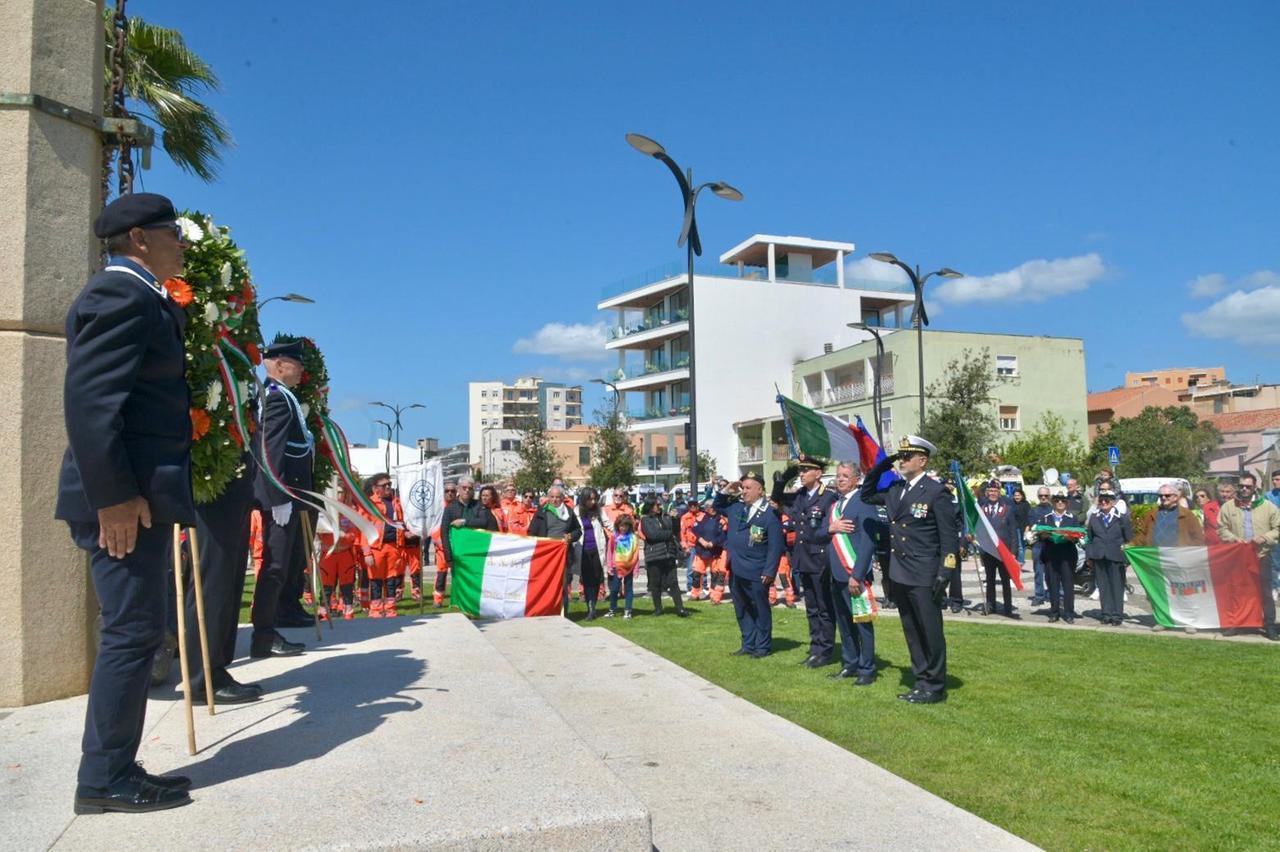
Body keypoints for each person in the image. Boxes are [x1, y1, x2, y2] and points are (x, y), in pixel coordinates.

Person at [57, 192, 196, 813]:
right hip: (122, 503)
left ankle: (117, 765)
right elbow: (92, 405)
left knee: (139, 633)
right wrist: (112, 498)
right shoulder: (121, 293)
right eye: (173, 233)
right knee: (132, 633)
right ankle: (103, 780)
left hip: (134, 498)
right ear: (140, 238)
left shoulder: (143, 295)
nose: (183, 244)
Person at [859, 435, 959, 704]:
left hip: (925, 573)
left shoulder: (936, 492)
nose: (902, 460)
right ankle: (921, 680)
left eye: (906, 457)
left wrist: (945, 572)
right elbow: (866, 494)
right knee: (912, 630)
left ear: (922, 460)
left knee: (930, 630)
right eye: (900, 456)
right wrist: (881, 466)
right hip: (900, 571)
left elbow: (949, 537)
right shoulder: (896, 490)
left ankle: (935, 686)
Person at [249, 339, 314, 657]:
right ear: (275, 363)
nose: (301, 368)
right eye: (295, 361)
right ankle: (264, 634)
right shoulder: (275, 398)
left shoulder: (283, 396)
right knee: (274, 565)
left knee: (283, 564)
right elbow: (269, 449)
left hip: (289, 493)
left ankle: (270, 628)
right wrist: (278, 497)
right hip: (281, 497)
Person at [772, 458, 839, 669]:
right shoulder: (800, 495)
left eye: (806, 470)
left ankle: (825, 650)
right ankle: (815, 646)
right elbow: (777, 498)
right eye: (800, 471)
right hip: (802, 558)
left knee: (824, 607)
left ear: (818, 473)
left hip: (820, 559)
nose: (801, 474)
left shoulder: (828, 497)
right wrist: (786, 475)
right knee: (810, 607)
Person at [714, 475, 784, 658]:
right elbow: (717, 507)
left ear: (760, 490)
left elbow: (775, 546)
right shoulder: (738, 507)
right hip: (737, 568)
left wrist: (769, 571)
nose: (744, 491)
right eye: (743, 488)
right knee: (742, 608)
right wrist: (726, 490)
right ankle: (748, 643)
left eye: (748, 488)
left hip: (757, 570)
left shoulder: (769, 513)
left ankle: (762, 646)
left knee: (760, 609)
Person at [825, 462, 877, 685]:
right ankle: (850, 663)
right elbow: (820, 533)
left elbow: (868, 542)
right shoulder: (835, 506)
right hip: (836, 574)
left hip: (853, 574)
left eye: (846, 476)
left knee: (862, 622)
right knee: (844, 623)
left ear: (857, 479)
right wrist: (831, 528)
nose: (841, 479)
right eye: (838, 476)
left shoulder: (864, 502)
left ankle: (867, 669)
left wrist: (857, 574)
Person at [1217, 473, 1280, 641]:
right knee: (1236, 591)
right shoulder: (1229, 507)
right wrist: (1234, 539)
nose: (1244, 489)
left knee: (1265, 593)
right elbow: (1221, 528)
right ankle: (1236, 624)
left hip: (1262, 556)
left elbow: (1278, 528)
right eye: (1242, 486)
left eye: (1248, 486)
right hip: (1237, 557)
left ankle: (1270, 626)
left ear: (1255, 487)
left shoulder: (1268, 506)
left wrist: (1264, 537)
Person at [528, 484, 583, 616]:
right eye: (552, 497)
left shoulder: (569, 512)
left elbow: (578, 531)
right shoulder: (541, 511)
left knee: (563, 586)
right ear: (548, 498)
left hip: (563, 556)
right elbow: (531, 532)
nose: (554, 500)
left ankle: (564, 614)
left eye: (557, 497)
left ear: (562, 498)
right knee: (544, 585)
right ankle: (544, 612)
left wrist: (571, 536)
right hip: (545, 557)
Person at [1084, 489, 1134, 625]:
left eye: (1107, 500)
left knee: (1117, 586)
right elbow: (1089, 538)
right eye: (1101, 500)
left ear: (1113, 502)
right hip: (1099, 556)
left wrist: (1127, 558)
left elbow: (1129, 538)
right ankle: (1106, 613)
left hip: (1116, 556)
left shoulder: (1122, 517)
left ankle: (1117, 615)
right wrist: (1089, 556)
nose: (1104, 502)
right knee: (1103, 586)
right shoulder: (1094, 517)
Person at [361, 474, 406, 618]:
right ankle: (375, 611)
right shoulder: (369, 505)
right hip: (376, 549)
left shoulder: (396, 502)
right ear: (375, 488)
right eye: (384, 485)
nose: (388, 487)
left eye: (389, 484)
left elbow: (401, 522)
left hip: (394, 547)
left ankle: (391, 609)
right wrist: (367, 553)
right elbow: (363, 529)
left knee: (392, 579)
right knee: (376, 580)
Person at [1037, 494, 1083, 623]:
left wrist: (1069, 537)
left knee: (1068, 585)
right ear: (1053, 503)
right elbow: (1039, 535)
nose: (1060, 503)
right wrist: (1045, 535)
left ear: (1067, 503)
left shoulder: (1073, 518)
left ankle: (1069, 613)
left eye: (1063, 500)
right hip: (1051, 555)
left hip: (1067, 556)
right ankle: (1054, 612)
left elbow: (1077, 536)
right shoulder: (1045, 518)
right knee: (1052, 585)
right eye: (1057, 501)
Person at [317, 487, 361, 620]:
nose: (339, 495)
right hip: (328, 553)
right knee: (326, 585)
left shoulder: (349, 512)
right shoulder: (323, 512)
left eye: (341, 492)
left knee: (347, 584)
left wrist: (344, 535)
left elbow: (355, 533)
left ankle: (348, 611)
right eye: (336, 492)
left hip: (344, 553)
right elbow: (316, 530)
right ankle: (324, 612)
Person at [978, 480, 1020, 617]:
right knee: (989, 580)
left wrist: (1014, 552)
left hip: (1004, 552)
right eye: (990, 491)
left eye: (995, 491)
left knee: (1005, 580)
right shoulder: (981, 508)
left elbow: (1014, 532)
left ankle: (1007, 608)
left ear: (999, 492)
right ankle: (991, 606)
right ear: (987, 492)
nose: (992, 494)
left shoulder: (1007, 509)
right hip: (988, 551)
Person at [641, 497, 687, 616]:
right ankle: (658, 608)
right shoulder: (646, 520)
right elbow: (652, 535)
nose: (659, 506)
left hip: (669, 554)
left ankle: (680, 609)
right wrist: (669, 534)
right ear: (650, 506)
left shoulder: (666, 517)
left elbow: (675, 530)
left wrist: (676, 520)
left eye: (659, 504)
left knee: (673, 583)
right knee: (655, 583)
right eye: (657, 505)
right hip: (654, 555)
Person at [1132, 484, 1206, 547]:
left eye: (1167, 496)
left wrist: (1188, 552)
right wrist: (1131, 545)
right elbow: (1142, 535)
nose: (1163, 498)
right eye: (1161, 496)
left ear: (1175, 497)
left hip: (1178, 558)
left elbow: (1198, 537)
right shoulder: (1151, 514)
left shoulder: (1187, 514)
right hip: (1156, 557)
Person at [690, 499, 728, 602]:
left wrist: (713, 543)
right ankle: (695, 594)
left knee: (715, 574)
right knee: (696, 573)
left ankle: (714, 595)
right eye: (710, 507)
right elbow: (694, 530)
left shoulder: (721, 519)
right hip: (701, 551)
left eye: (712, 507)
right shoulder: (701, 517)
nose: (711, 509)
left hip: (715, 551)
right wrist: (701, 540)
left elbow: (723, 535)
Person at [605, 514, 641, 617]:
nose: (623, 528)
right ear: (617, 526)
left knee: (628, 589)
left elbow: (636, 554)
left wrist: (636, 569)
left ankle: (628, 610)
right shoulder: (614, 537)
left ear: (629, 526)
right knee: (614, 589)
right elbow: (610, 552)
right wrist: (609, 566)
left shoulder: (634, 538)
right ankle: (612, 609)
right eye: (621, 526)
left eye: (626, 526)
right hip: (617, 566)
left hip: (630, 566)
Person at [430, 483, 457, 606]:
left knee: (459, 574)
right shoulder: (438, 509)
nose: (450, 493)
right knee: (441, 573)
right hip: (442, 548)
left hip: (457, 547)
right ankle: (438, 599)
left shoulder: (459, 507)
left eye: (452, 491)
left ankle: (458, 599)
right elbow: (435, 529)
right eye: (447, 491)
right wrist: (443, 545)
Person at [1027, 487, 1054, 607]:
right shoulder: (1033, 511)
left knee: (1054, 571)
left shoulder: (1054, 510)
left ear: (1049, 496)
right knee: (1038, 572)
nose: (1043, 498)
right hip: (1038, 545)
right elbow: (1034, 527)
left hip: (1052, 545)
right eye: (1041, 496)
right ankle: (1039, 595)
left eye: (1046, 495)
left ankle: (1057, 594)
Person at [679, 498, 703, 593]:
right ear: (688, 506)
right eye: (691, 504)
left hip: (701, 546)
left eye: (694, 504)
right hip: (691, 546)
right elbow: (682, 533)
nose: (693, 506)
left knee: (702, 568)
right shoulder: (685, 517)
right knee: (690, 568)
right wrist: (685, 546)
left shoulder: (703, 516)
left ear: (697, 505)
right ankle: (690, 587)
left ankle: (703, 586)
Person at [1011, 488, 1030, 565]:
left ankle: (1020, 562)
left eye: (1018, 495)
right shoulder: (1012, 504)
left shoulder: (1026, 504)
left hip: (1023, 528)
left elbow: (1029, 517)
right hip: (1014, 528)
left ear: (1022, 496)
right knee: (1018, 545)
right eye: (1015, 495)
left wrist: (1027, 528)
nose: (1016, 497)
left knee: (1022, 545)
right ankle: (1019, 561)